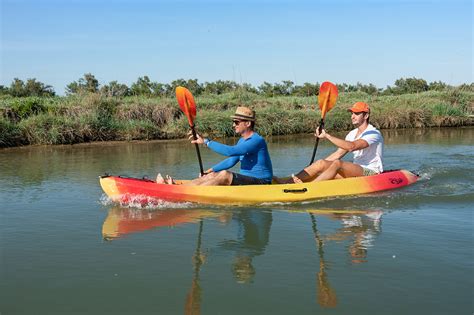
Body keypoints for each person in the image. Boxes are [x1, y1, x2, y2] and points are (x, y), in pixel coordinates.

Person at [157, 106, 273, 186]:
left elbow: (230, 152)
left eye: (237, 122)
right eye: (233, 122)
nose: (233, 125)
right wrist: (210, 171)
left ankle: (184, 190)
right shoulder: (242, 141)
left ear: (247, 123)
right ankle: (181, 186)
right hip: (248, 181)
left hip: (261, 182)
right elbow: (232, 160)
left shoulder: (256, 141)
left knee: (225, 174)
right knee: (214, 174)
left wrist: (207, 142)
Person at [275, 101, 384, 184]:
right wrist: (317, 166)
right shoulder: (352, 134)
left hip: (371, 172)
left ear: (366, 116)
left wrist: (327, 136)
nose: (352, 116)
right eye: (352, 113)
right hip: (355, 170)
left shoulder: (373, 133)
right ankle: (287, 183)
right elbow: (338, 154)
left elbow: (352, 146)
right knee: (321, 163)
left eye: (356, 113)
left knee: (338, 163)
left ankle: (310, 187)